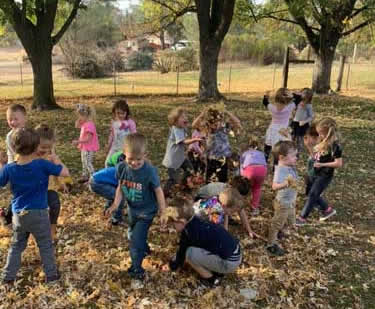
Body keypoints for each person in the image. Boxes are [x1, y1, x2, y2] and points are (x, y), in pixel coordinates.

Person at [0, 128, 70, 284]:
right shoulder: (42, 164)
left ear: (13, 148)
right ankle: (51, 276)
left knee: (17, 245)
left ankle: (8, 276)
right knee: (45, 244)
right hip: (39, 213)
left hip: (18, 214)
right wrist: (56, 160)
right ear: (35, 147)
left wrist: (1, 164)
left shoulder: (9, 168)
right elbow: (65, 172)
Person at [105, 133, 166, 281]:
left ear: (145, 155)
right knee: (132, 234)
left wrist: (163, 211)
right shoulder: (121, 168)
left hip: (147, 212)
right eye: (130, 159)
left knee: (135, 241)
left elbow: (158, 190)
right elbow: (120, 187)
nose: (134, 163)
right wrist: (115, 205)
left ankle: (137, 270)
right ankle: (144, 249)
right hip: (133, 209)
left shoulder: (149, 171)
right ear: (124, 154)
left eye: (138, 159)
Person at [163, 202, 242, 287]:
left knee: (190, 253)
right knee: (202, 248)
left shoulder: (191, 232)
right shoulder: (199, 218)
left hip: (229, 262)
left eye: (173, 225)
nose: (173, 228)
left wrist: (172, 265)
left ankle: (212, 279)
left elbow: (182, 251)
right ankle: (217, 270)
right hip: (235, 253)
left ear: (181, 222)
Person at [296, 117, 342, 226]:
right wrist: (308, 147)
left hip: (324, 175)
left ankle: (302, 218)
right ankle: (327, 210)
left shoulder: (335, 146)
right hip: (315, 172)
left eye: (321, 133)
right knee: (309, 193)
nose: (319, 136)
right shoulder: (323, 141)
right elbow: (315, 157)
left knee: (313, 194)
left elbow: (338, 163)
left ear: (328, 132)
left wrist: (322, 164)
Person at [34, 124, 71, 242]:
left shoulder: (51, 157)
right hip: (33, 189)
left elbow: (59, 171)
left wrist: (62, 183)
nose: (45, 150)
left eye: (48, 147)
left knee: (54, 205)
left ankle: (52, 231)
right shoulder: (29, 156)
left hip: (49, 188)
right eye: (42, 147)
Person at [192, 106, 242, 183]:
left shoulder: (224, 127)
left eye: (217, 122)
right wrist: (202, 114)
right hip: (211, 159)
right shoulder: (207, 129)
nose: (215, 125)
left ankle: (220, 193)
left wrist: (227, 112)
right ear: (209, 122)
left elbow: (237, 122)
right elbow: (194, 125)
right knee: (210, 181)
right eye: (213, 123)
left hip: (223, 158)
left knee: (222, 181)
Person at [266, 141, 298, 256]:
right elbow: (274, 186)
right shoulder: (280, 170)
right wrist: (285, 184)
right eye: (293, 156)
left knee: (290, 220)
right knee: (276, 223)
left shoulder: (289, 166)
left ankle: (281, 231)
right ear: (282, 157)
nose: (296, 158)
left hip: (290, 201)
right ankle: (271, 244)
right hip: (283, 203)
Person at [162, 107, 202, 197]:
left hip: (180, 158)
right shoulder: (175, 129)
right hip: (172, 160)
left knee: (190, 170)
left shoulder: (181, 128)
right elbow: (183, 142)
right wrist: (195, 139)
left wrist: (199, 116)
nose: (185, 118)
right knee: (173, 179)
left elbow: (192, 126)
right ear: (175, 121)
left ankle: (184, 185)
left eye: (185, 116)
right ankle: (164, 193)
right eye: (182, 117)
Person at [263, 88, 300, 167]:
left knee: (268, 146)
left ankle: (264, 160)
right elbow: (298, 98)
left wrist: (266, 95)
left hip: (273, 130)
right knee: (279, 149)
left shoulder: (272, 108)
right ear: (287, 101)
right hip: (283, 132)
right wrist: (291, 94)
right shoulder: (289, 107)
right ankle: (275, 166)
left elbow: (265, 102)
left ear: (276, 100)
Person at [72, 104, 99, 183]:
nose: (79, 118)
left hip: (89, 148)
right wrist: (78, 122)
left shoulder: (90, 125)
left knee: (88, 162)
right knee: (83, 161)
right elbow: (76, 126)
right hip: (84, 147)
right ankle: (85, 175)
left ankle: (93, 177)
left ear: (85, 116)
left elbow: (88, 138)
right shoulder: (84, 123)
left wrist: (78, 141)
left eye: (80, 116)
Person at [240, 135, 267, 216]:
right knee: (257, 188)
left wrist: (242, 176)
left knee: (244, 186)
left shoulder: (244, 153)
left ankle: (240, 205)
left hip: (249, 170)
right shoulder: (261, 153)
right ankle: (254, 208)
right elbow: (265, 164)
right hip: (262, 170)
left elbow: (241, 165)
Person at [105, 99, 136, 167]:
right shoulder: (114, 123)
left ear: (126, 113)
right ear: (114, 112)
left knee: (122, 165)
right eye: (118, 113)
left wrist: (134, 147)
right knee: (108, 163)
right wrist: (109, 146)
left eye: (123, 113)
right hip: (114, 147)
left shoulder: (130, 122)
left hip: (125, 148)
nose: (121, 115)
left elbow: (134, 135)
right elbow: (112, 135)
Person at [290, 88, 314, 154]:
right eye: (301, 94)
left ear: (308, 98)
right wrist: (293, 113)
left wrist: (304, 121)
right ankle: (291, 149)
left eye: (304, 95)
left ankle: (298, 151)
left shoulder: (309, 106)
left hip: (302, 125)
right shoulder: (297, 102)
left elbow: (311, 116)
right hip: (295, 123)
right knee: (292, 137)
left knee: (300, 139)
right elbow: (292, 94)